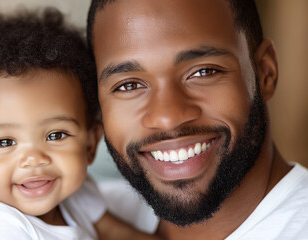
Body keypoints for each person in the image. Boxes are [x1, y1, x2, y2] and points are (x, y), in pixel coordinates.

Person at [0, 7, 160, 240]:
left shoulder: (73, 190)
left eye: (56, 135)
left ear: (90, 143)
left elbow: (114, 232)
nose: (34, 159)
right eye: (5, 141)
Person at [86, 0, 308, 239]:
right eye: (129, 85)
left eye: (204, 72)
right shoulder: (76, 219)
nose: (167, 118)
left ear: (265, 72)